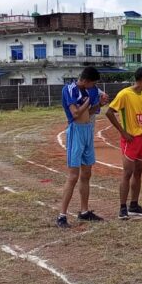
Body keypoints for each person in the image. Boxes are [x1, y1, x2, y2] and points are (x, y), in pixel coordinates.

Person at [57, 67, 105, 227]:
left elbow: (90, 112)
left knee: (86, 173)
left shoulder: (90, 91)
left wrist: (99, 103)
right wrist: (89, 102)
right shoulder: (69, 89)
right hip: (76, 130)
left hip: (87, 131)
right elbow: (75, 113)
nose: (93, 86)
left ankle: (84, 211)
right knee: (73, 176)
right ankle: (62, 215)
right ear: (85, 80)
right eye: (92, 83)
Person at [106, 67, 142, 220]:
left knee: (138, 172)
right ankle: (122, 207)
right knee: (127, 173)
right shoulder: (125, 94)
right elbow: (109, 112)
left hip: (141, 139)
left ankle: (134, 204)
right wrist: (123, 132)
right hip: (130, 139)